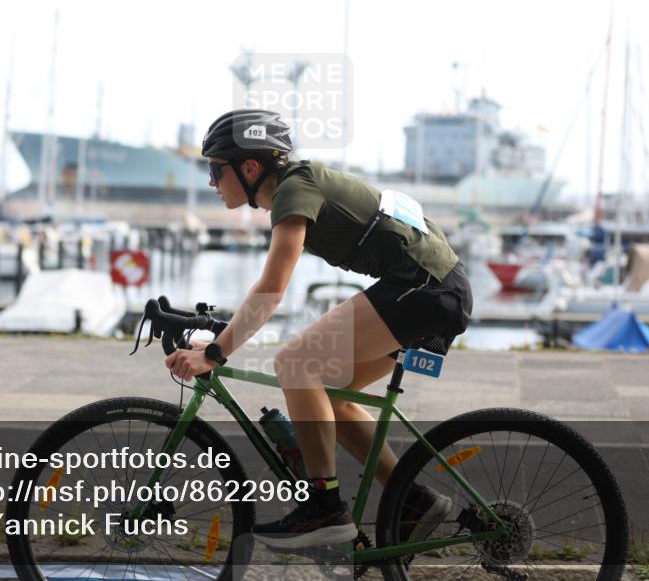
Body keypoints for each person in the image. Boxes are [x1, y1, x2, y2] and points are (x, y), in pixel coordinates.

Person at [164, 109, 473, 549]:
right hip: (435, 289)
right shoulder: (300, 184)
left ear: (250, 168)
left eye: (216, 169)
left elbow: (271, 290)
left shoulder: (294, 189)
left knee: (295, 363)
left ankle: (324, 507)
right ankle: (413, 501)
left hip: (424, 289)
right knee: (329, 395)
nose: (212, 181)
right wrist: (222, 331)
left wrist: (215, 353)